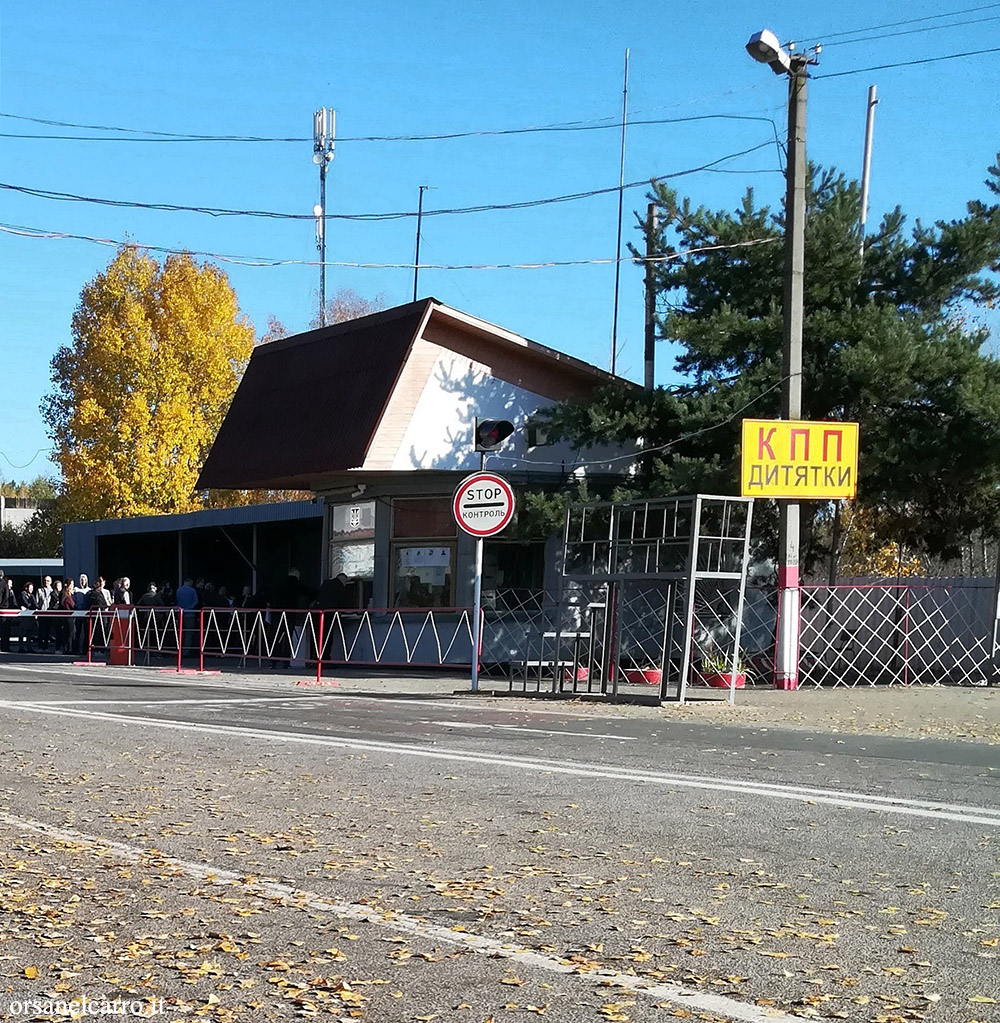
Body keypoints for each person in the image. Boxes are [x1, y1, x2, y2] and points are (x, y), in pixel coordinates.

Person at [37, 575, 53, 650]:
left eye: (48, 581)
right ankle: (40, 646)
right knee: (41, 631)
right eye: (45, 580)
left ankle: (46, 646)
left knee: (47, 631)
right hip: (41, 613)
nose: (46, 582)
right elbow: (37, 602)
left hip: (49, 614)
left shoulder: (52, 591)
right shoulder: (39, 590)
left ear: (51, 582)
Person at [0, 569, 11, 653]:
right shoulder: (5, 584)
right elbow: (6, 597)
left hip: (2, 609)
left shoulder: (3, 584)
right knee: (5, 630)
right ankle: (5, 646)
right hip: (3, 610)